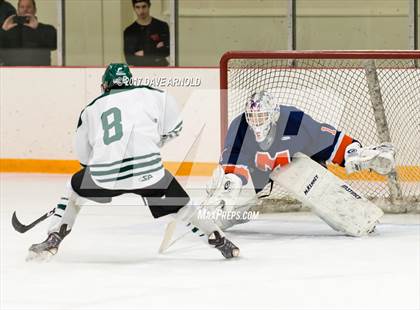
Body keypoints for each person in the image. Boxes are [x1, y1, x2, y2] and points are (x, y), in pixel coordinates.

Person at [27, 63, 239, 261]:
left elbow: (83, 157)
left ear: (104, 86)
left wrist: (100, 167)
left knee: (74, 188)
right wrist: (149, 145)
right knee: (184, 208)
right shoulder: (154, 95)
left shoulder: (90, 109)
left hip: (105, 177)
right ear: (129, 81)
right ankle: (219, 239)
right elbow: (175, 128)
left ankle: (53, 238)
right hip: (151, 175)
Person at [204, 90, 395, 232]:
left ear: (274, 115)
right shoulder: (239, 126)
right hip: (257, 171)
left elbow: (325, 138)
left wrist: (352, 151)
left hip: (297, 159)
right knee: (225, 197)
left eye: (262, 116)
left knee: (317, 186)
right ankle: (217, 215)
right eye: (252, 116)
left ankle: (355, 214)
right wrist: (228, 189)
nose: (257, 121)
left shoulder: (294, 120)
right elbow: (232, 160)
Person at [0, 0, 56, 66]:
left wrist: (38, 28)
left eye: (29, 7)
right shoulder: (9, 30)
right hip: (12, 73)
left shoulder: (47, 29)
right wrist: (3, 30)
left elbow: (54, 45)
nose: (25, 10)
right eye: (22, 7)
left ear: (35, 10)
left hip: (40, 73)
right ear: (17, 11)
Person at [123, 0, 169, 67]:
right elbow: (129, 59)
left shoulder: (161, 26)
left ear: (149, 6)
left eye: (144, 7)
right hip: (140, 71)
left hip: (160, 69)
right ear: (134, 8)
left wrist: (144, 52)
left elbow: (167, 50)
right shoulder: (129, 31)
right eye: (137, 7)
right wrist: (155, 49)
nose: (141, 11)